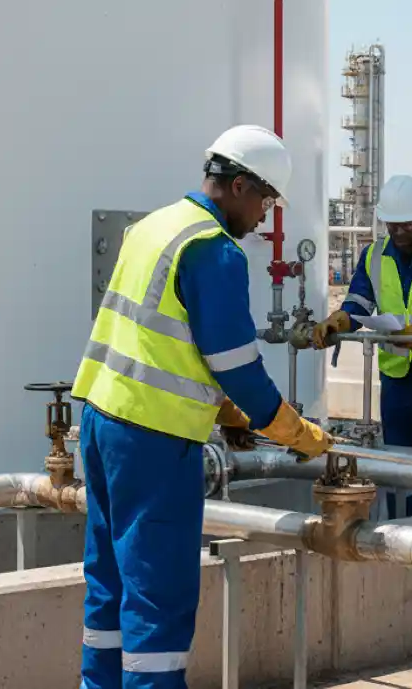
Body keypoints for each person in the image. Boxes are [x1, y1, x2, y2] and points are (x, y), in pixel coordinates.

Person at [70, 124, 334, 688]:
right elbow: (235, 362)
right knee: (157, 593)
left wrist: (224, 412)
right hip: (153, 437)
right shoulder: (213, 250)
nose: (265, 216)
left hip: (100, 420)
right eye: (265, 200)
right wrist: (292, 428)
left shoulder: (154, 226)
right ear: (239, 186)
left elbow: (162, 341)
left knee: (109, 583)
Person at [312, 174, 412, 516]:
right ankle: (405, 526)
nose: (399, 233)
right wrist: (341, 320)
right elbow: (358, 302)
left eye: (406, 225)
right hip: (397, 375)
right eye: (393, 226)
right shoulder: (373, 255)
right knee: (399, 461)